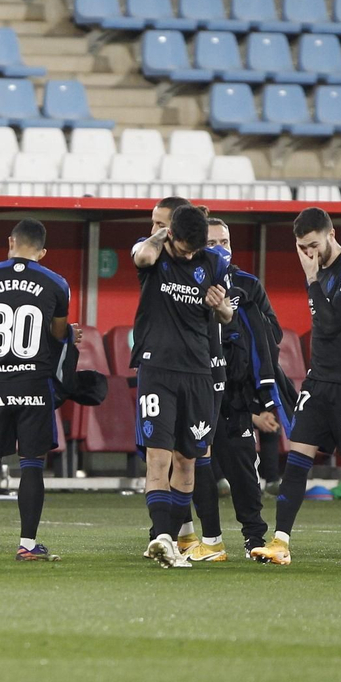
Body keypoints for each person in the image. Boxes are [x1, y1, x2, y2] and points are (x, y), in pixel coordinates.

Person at [251, 207, 341, 567]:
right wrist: (313, 275)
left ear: (331, 234)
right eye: (302, 247)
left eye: (313, 245)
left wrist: (311, 280)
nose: (309, 253)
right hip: (319, 380)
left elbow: (333, 320)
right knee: (297, 459)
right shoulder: (318, 269)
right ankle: (280, 541)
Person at [0, 218, 81, 563]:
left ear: (10, 241)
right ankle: (27, 544)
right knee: (31, 465)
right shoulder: (57, 283)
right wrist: (70, 334)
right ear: (42, 251)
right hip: (34, 384)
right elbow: (58, 335)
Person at [130, 204, 234, 568]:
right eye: (186, 247)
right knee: (157, 457)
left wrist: (219, 306)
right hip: (157, 369)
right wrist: (162, 232)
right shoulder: (154, 253)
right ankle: (161, 536)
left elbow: (228, 315)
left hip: (198, 372)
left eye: (196, 248)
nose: (191, 254)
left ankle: (169, 539)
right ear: (171, 235)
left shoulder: (214, 264)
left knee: (187, 460)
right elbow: (142, 255)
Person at [181, 218, 284, 563]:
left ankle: (254, 536)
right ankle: (198, 538)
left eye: (224, 241)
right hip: (196, 386)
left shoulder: (247, 285)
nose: (219, 248)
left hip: (235, 393)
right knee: (194, 463)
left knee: (241, 465)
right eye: (211, 242)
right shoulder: (182, 281)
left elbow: (273, 334)